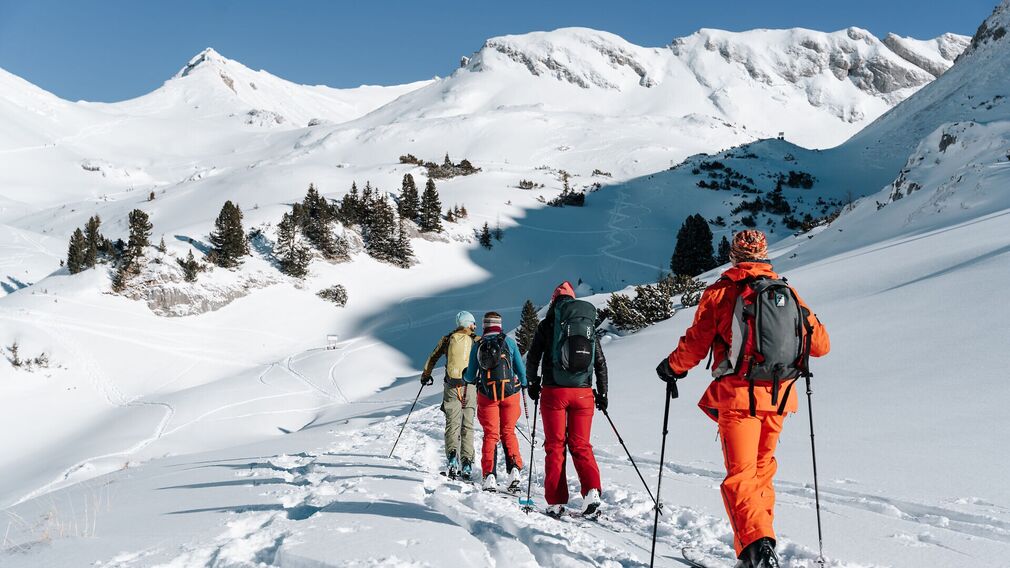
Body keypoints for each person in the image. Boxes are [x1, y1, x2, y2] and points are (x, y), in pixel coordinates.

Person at [655, 230, 830, 568]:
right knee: (761, 474)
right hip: (779, 398)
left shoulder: (721, 292)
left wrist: (671, 367)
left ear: (734, 255)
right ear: (764, 255)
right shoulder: (786, 291)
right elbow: (821, 345)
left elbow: (696, 343)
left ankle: (759, 547)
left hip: (738, 398)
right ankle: (752, 554)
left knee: (740, 476)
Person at [527, 281, 609, 518]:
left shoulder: (548, 325)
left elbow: (533, 357)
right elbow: (600, 362)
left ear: (554, 302)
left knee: (555, 446)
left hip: (554, 393)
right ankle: (592, 491)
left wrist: (532, 384)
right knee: (581, 445)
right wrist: (602, 394)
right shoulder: (586, 325)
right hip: (583, 394)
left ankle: (555, 502)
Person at [464, 312, 528, 492]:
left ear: (484, 326)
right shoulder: (509, 342)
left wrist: (465, 376)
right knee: (508, 432)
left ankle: (489, 475)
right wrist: (523, 384)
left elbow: (470, 376)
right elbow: (520, 370)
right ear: (499, 325)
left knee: (491, 435)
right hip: (510, 394)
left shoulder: (478, 345)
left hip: (487, 395)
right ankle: (514, 469)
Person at [422, 311, 479, 479]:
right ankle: (467, 463)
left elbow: (433, 356)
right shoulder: (476, 339)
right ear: (468, 324)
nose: (475, 326)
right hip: (470, 387)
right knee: (467, 425)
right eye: (473, 323)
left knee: (452, 424)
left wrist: (426, 375)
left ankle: (452, 459)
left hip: (452, 386)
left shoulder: (448, 339)